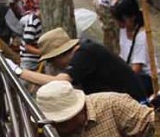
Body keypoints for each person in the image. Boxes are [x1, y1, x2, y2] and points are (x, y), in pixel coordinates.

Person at [11, 27, 147, 101]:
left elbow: (59, 82)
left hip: (130, 104)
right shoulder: (85, 50)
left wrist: (19, 71)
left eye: (51, 61)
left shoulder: (85, 54)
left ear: (59, 55)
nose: (53, 66)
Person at [111, 0, 154, 95]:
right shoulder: (123, 30)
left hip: (144, 78)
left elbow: (136, 68)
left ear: (132, 17)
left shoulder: (142, 36)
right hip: (128, 72)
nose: (119, 24)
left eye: (122, 20)